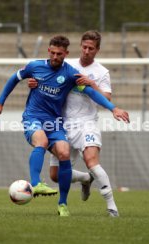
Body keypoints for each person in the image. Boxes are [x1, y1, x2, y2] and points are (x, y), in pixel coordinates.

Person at [0, 35, 128, 217]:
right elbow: (14, 79)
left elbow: (92, 93)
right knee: (42, 142)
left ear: (65, 54)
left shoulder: (72, 73)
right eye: (53, 53)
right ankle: (36, 183)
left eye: (59, 54)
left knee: (64, 153)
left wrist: (113, 108)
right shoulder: (35, 66)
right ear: (48, 51)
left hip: (62, 122)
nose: (55, 56)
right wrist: (0, 103)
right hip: (36, 117)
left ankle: (65, 203)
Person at [28, 30, 130, 217]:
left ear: (97, 50)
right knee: (55, 176)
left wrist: (92, 84)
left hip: (86, 123)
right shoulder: (68, 65)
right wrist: (35, 83)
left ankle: (111, 206)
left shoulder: (101, 72)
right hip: (62, 123)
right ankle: (85, 179)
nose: (86, 51)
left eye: (91, 48)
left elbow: (105, 96)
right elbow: (48, 79)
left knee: (91, 161)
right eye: (84, 47)